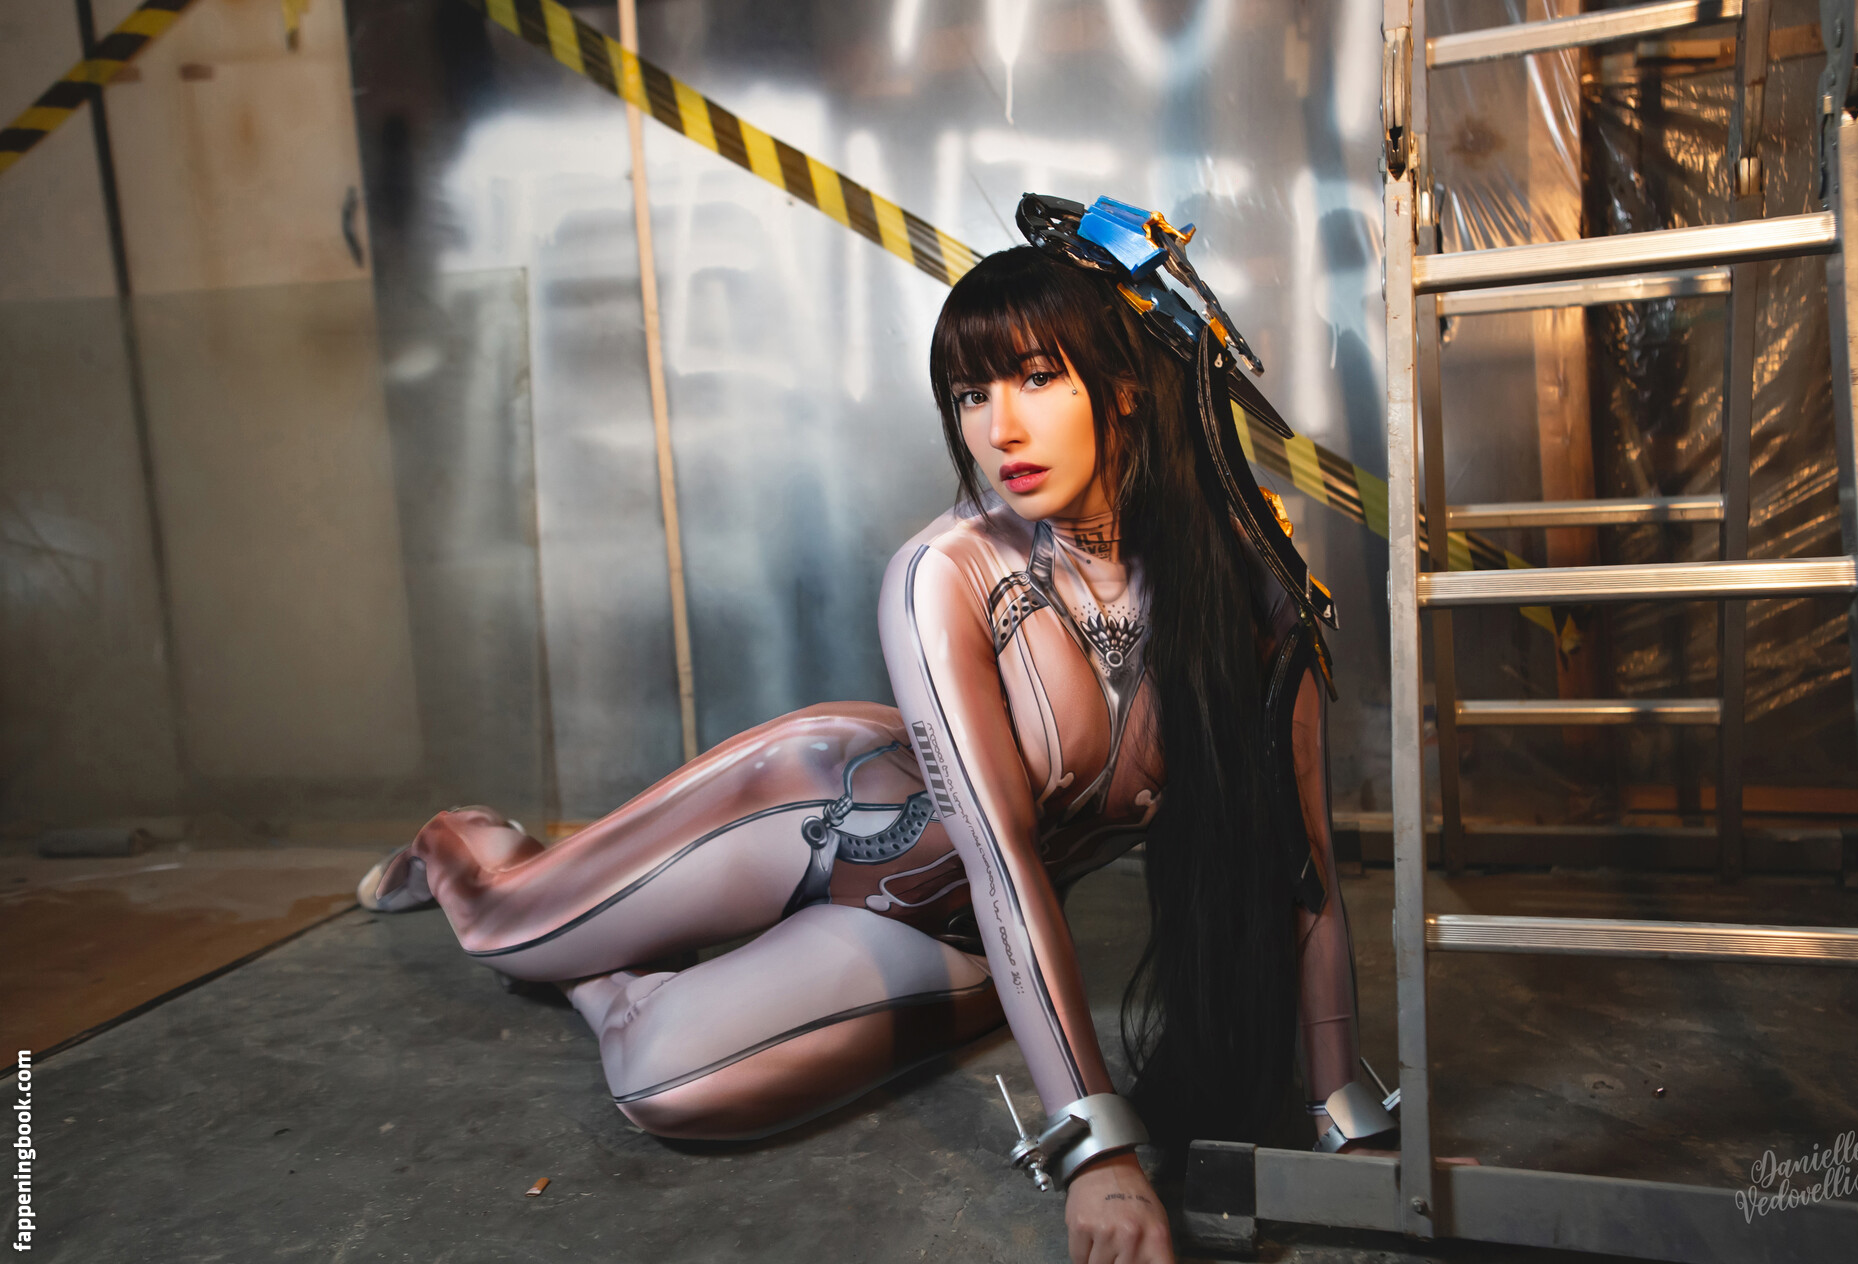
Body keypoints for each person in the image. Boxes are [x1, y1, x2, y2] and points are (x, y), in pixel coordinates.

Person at [358, 195, 1390, 1264]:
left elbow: (1304, 865)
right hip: (802, 816)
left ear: (1125, 386)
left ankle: (603, 975)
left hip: (949, 934)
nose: (999, 428)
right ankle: (462, 841)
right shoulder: (948, 570)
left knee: (667, 1084)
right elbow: (999, 858)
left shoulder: (1249, 584)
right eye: (971, 393)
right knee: (504, 924)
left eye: (1038, 377)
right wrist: (1097, 1151)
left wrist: (1344, 1116)